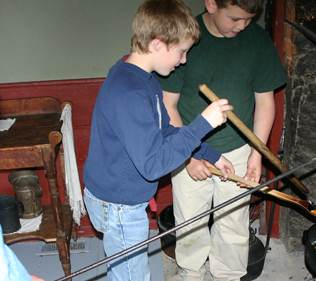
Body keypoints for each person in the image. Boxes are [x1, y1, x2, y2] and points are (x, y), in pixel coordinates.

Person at [82, 0, 235, 280]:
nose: (183, 60)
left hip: (124, 196)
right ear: (157, 44)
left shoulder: (145, 78)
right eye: (181, 51)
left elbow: (165, 132)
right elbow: (153, 165)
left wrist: (211, 154)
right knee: (132, 275)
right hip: (118, 203)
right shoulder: (128, 92)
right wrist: (202, 124)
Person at [157, 0, 287, 279]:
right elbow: (168, 106)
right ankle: (190, 272)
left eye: (248, 20)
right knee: (190, 222)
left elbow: (265, 103)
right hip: (188, 148)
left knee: (234, 223)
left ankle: (227, 276)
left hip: (240, 149)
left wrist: (257, 153)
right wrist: (189, 156)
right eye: (235, 19)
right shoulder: (185, 38)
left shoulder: (257, 41)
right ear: (212, 4)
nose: (241, 27)